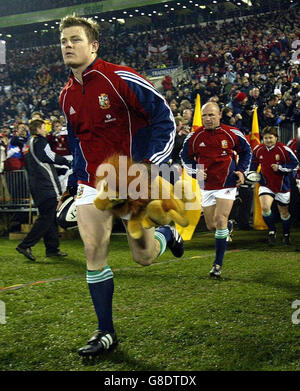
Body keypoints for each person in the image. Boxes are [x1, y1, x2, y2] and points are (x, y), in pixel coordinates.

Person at [58, 15, 184, 357]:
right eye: (64, 41)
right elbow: (76, 139)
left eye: (75, 40)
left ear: (93, 45)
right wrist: (74, 183)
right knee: (93, 254)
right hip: (91, 184)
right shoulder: (66, 94)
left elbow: (164, 118)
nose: (67, 45)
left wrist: (146, 165)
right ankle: (105, 332)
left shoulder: (120, 77)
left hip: (129, 177)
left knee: (143, 257)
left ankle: (165, 234)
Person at [180, 102, 252, 278]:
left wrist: (242, 171)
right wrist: (194, 170)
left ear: (220, 115)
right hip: (207, 185)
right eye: (205, 115)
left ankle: (217, 264)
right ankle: (227, 226)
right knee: (212, 225)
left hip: (227, 182)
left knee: (219, 219)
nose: (208, 119)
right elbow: (184, 156)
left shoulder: (232, 133)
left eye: (212, 115)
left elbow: (246, 152)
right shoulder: (194, 137)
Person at [16, 119, 70, 261]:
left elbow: (39, 163)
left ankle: (52, 249)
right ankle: (25, 245)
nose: (46, 130)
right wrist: (67, 162)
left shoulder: (28, 144)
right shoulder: (40, 141)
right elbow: (50, 157)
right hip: (46, 186)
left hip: (36, 185)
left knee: (51, 216)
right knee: (47, 217)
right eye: (43, 127)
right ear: (38, 129)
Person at [250, 127, 299, 245]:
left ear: (276, 138)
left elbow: (295, 164)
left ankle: (286, 235)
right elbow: (253, 163)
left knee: (284, 213)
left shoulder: (284, 149)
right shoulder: (258, 149)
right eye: (266, 138)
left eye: (270, 137)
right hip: (266, 184)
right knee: (265, 208)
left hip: (283, 185)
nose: (268, 140)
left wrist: (280, 167)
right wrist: (251, 174)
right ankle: (272, 231)